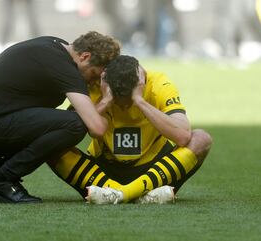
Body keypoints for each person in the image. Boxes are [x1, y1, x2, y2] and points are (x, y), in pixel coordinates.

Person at [0, 31, 121, 203]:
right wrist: (107, 99)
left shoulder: (57, 48)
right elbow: (96, 128)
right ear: (84, 56)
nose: (94, 81)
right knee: (74, 125)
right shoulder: (63, 66)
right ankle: (2, 180)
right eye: (94, 74)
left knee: (66, 121)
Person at [48, 55, 212, 204]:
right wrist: (106, 101)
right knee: (50, 141)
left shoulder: (159, 83)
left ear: (141, 84)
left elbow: (183, 135)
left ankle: (120, 194)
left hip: (155, 170)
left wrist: (139, 101)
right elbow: (65, 130)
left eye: (129, 100)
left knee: (201, 139)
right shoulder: (95, 87)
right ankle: (141, 195)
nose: (125, 107)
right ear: (106, 85)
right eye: (119, 101)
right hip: (103, 170)